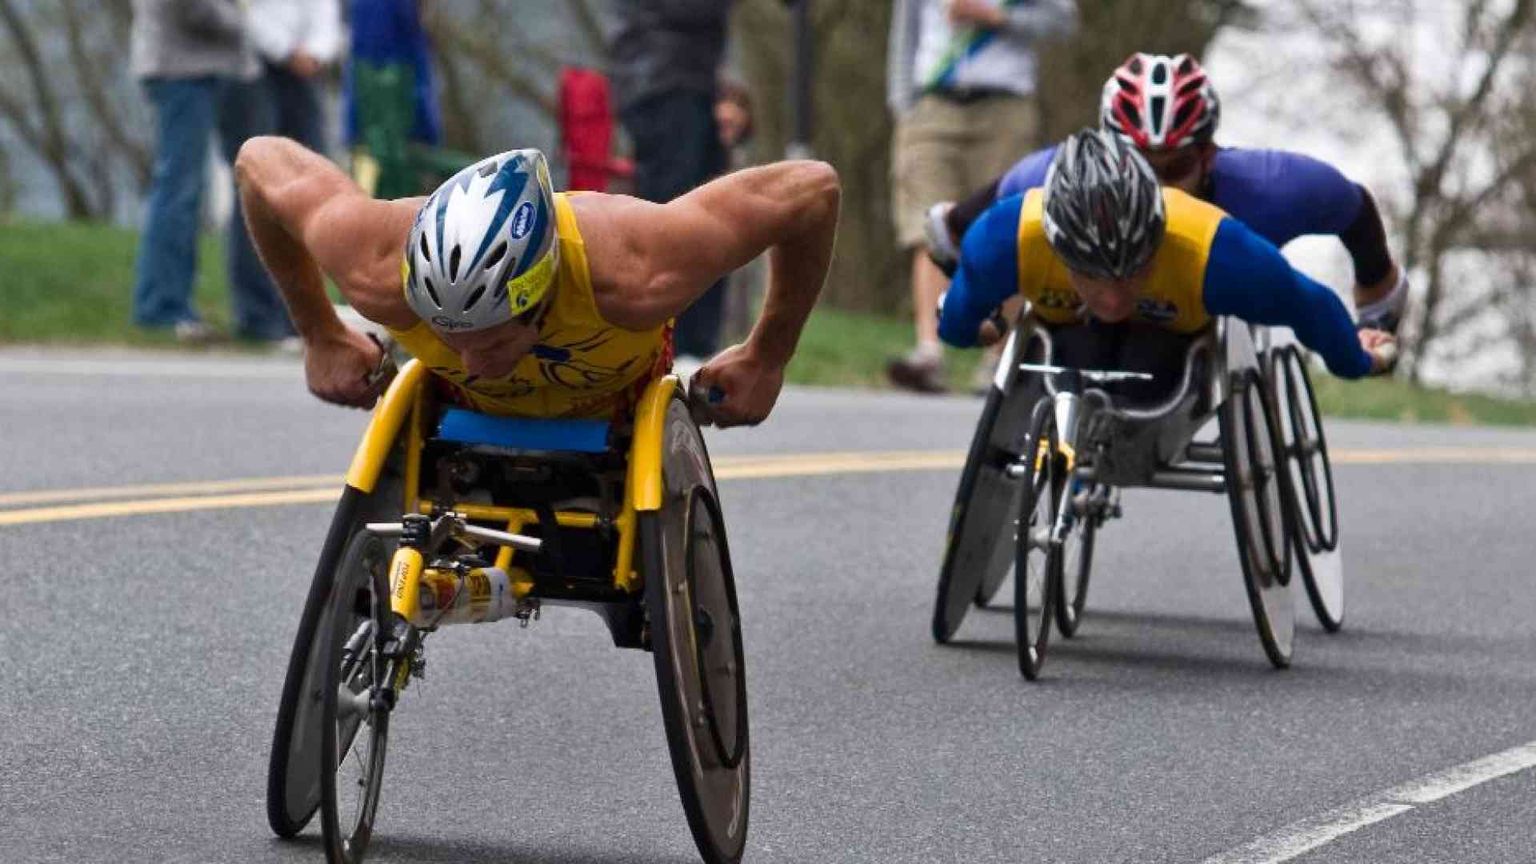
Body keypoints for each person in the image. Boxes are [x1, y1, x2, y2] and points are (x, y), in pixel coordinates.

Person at [233, 137, 840, 426]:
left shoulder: (640, 270)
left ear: (542, 299)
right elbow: (259, 161)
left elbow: (813, 189)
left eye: (490, 340)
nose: (471, 361)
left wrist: (768, 355)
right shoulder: (375, 268)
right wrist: (318, 331)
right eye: (450, 334)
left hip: (617, 408)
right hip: (457, 416)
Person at [933, 53, 1409, 337]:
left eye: (1175, 168)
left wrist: (1376, 301)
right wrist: (981, 304)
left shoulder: (1271, 188)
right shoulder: (1047, 177)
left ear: (1208, 156)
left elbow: (1355, 209)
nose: (1153, 189)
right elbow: (950, 231)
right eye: (1136, 165)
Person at [938, 129, 1396, 398]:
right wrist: (981, 329)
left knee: (1147, 369)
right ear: (1056, 246)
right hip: (1070, 335)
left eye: (1133, 268)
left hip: (1172, 342)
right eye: (1093, 276)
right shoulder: (1004, 237)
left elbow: (1308, 307)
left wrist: (1357, 359)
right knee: (1071, 358)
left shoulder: (1215, 250)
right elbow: (957, 323)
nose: (1114, 297)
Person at [885, 0, 1078, 393]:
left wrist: (996, 17)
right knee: (929, 227)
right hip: (932, 103)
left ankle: (998, 357)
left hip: (1004, 108)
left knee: (1008, 227)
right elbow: (905, 33)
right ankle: (929, 352)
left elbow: (1063, 22)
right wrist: (903, 103)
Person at [130, 0, 266, 342]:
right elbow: (193, 7)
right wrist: (250, 22)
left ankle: (254, 315)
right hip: (181, 69)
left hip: (213, 66)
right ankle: (162, 308)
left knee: (247, 188)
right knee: (179, 189)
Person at [609, 0, 735, 362]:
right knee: (674, 214)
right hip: (660, 79)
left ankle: (695, 348)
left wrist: (730, 92)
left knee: (714, 215)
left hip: (690, 80)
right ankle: (669, 346)